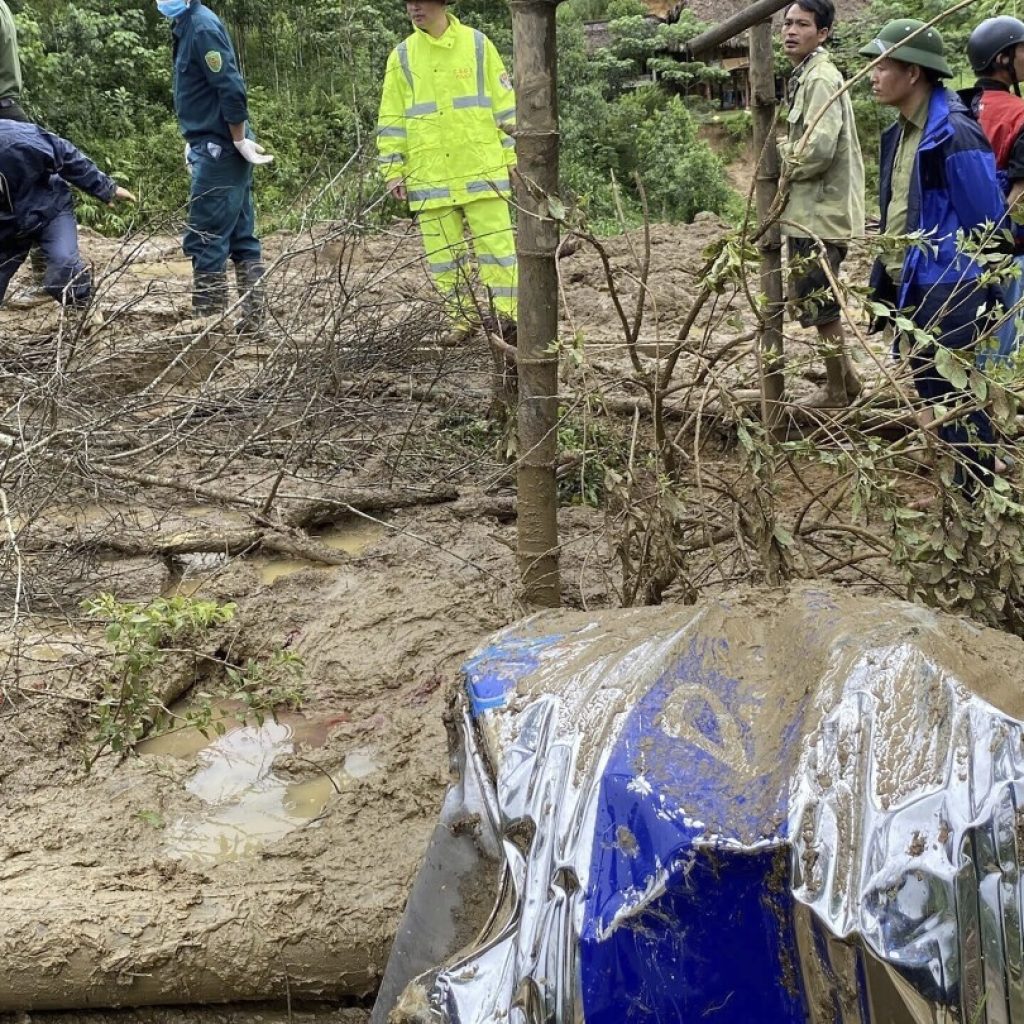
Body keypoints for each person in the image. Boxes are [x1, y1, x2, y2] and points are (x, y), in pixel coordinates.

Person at [860, 19, 1007, 495]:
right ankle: (969, 488)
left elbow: (988, 222)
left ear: (915, 73)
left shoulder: (955, 133)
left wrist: (988, 287)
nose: (873, 75)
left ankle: (980, 494)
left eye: (884, 65)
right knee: (932, 394)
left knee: (956, 399)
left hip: (950, 285)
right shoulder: (901, 133)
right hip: (911, 283)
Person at [377, 0, 518, 346]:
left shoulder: (478, 45)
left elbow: (505, 106)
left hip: (482, 170)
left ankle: (510, 320)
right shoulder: (403, 57)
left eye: (420, 1)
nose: (413, 8)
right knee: (444, 259)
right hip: (431, 176)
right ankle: (462, 320)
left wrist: (512, 156)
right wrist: (393, 169)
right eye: (408, 2)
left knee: (499, 251)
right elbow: (391, 119)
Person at [157, 0, 273, 331]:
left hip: (220, 150)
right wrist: (192, 141)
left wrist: (236, 138)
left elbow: (231, 87)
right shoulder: (184, 24)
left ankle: (208, 331)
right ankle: (253, 324)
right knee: (240, 237)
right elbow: (197, 90)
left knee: (205, 238)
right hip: (210, 143)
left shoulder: (202, 26)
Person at [779, 0, 866, 407]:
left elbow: (816, 150)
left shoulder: (819, 79)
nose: (790, 31)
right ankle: (846, 381)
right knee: (816, 300)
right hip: (810, 213)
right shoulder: (806, 76)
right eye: (787, 23)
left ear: (824, 33)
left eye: (802, 24)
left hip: (819, 214)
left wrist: (779, 152)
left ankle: (836, 390)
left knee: (820, 305)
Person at [0, 120, 135, 307]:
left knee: (63, 268)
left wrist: (105, 188)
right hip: (7, 226)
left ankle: (84, 312)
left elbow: (63, 153)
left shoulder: (17, 140)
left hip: (49, 209)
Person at [962, 16, 1024, 366]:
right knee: (1000, 351)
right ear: (1003, 58)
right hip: (1011, 253)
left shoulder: (956, 108)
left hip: (960, 252)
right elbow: (1020, 199)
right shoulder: (1019, 116)